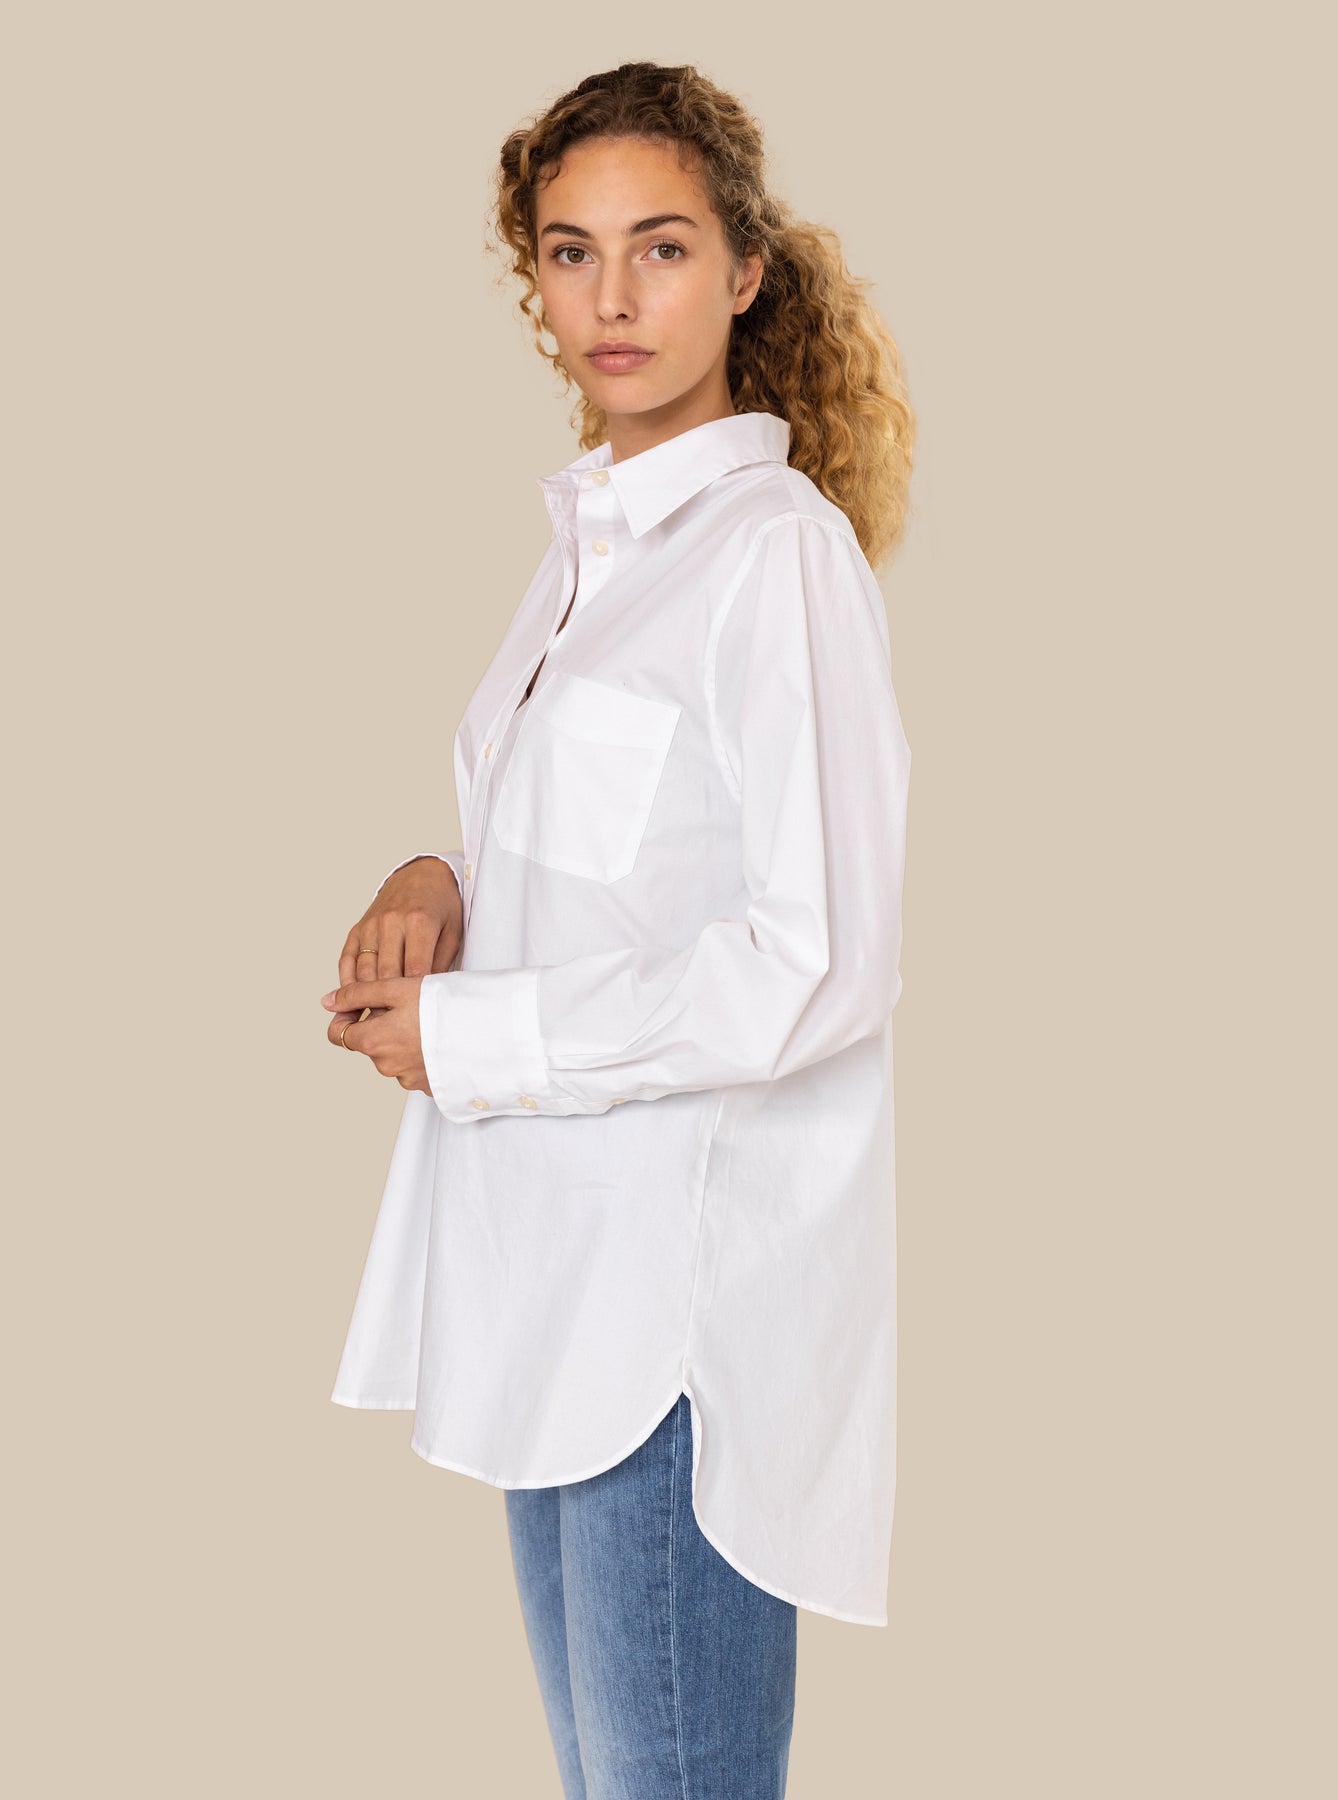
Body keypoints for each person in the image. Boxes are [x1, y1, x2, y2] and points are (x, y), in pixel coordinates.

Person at [320, 60, 914, 1800]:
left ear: (742, 270)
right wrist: (442, 879)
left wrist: (477, 1038)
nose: (613, 298)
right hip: (549, 1296)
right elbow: (625, 860)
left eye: (659, 248)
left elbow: (819, 957)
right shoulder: (590, 544)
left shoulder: (769, 554)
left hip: (675, 1332)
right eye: (571, 253)